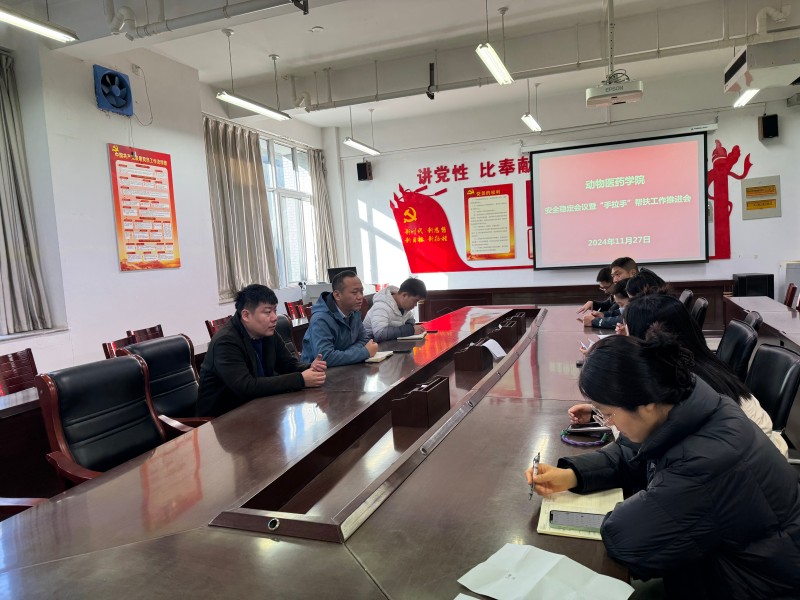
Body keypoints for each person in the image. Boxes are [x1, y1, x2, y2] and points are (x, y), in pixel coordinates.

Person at [529, 334, 800, 600]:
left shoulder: (706, 463)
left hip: (749, 584)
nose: (610, 423)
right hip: (726, 565)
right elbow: (632, 452)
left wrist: (636, 504)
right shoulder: (688, 405)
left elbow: (628, 542)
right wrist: (573, 475)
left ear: (645, 405)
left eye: (608, 414)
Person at [572, 293, 788, 455]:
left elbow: (645, 444)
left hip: (750, 471)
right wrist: (603, 409)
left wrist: (611, 411)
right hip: (760, 457)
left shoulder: (683, 385)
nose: (622, 334)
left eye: (627, 330)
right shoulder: (698, 366)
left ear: (649, 337)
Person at [197, 284, 326, 417]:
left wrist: (310, 368)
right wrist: (300, 379)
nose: (274, 317)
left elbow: (288, 365)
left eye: (275, 310)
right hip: (222, 418)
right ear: (246, 315)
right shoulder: (225, 342)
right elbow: (246, 386)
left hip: (258, 408)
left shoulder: (268, 333)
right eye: (268, 312)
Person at [301, 270, 378, 366]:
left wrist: (347, 353)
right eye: (354, 293)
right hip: (319, 372)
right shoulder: (320, 319)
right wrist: (363, 353)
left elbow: (364, 340)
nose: (360, 297)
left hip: (346, 367)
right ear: (337, 295)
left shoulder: (354, 311)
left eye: (361, 291)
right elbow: (325, 357)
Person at [364, 277, 427, 342]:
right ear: (404, 295)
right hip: (371, 344)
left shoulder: (404, 307)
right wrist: (411, 330)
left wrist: (409, 328)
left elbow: (411, 319)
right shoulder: (381, 306)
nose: (415, 305)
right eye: (415, 301)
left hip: (390, 343)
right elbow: (380, 334)